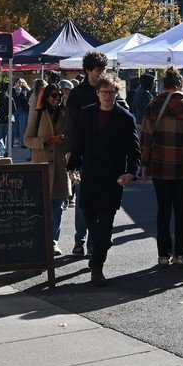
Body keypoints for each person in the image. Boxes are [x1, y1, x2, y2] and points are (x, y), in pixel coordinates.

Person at [67, 73, 140, 286]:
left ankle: (97, 268)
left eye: (112, 92)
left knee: (106, 220)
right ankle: (101, 242)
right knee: (89, 215)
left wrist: (131, 172)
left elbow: (134, 151)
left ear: (117, 93)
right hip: (89, 175)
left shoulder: (126, 118)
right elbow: (78, 144)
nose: (108, 96)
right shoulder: (87, 114)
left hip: (112, 178)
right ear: (97, 93)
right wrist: (71, 168)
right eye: (104, 92)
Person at [139, 66, 183, 267]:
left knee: (163, 209)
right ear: (180, 83)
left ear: (164, 85)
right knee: (181, 209)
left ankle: (163, 254)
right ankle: (180, 254)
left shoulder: (153, 104)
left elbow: (145, 138)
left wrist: (144, 164)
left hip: (160, 164)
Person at [61, 50, 108, 258]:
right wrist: (70, 152)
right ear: (89, 70)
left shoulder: (106, 90)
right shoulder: (78, 94)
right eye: (99, 69)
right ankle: (80, 241)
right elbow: (69, 125)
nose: (102, 73)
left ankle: (93, 242)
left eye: (104, 69)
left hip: (103, 153)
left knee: (99, 201)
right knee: (82, 200)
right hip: (82, 153)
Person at [23, 82, 69, 254]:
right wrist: (44, 141)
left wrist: (66, 141)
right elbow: (27, 140)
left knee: (57, 206)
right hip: (41, 166)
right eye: (54, 95)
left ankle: (54, 241)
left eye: (59, 96)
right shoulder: (38, 115)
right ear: (47, 97)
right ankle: (40, 238)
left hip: (59, 167)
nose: (58, 98)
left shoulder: (65, 114)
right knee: (42, 206)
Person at [11, 77, 31, 149]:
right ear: (15, 83)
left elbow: (28, 100)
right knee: (13, 127)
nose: (20, 84)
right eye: (19, 82)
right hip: (13, 111)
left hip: (23, 110)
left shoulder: (25, 90)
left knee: (23, 127)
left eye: (21, 83)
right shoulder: (11, 91)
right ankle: (11, 143)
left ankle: (23, 143)